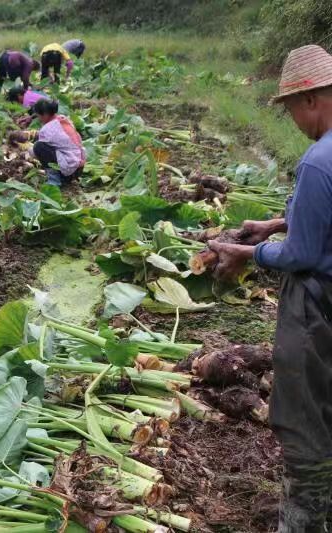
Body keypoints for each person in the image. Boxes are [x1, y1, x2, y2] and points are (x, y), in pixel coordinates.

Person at [208, 44, 332, 532]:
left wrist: (248, 252)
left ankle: (303, 519)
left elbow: (301, 255)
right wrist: (277, 222)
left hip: (317, 304)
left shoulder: (317, 162)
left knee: (304, 413)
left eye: (291, 111)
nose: (294, 122)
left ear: (311, 101)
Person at [29, 98, 85, 187]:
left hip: (68, 172)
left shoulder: (46, 129)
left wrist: (27, 149)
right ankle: (60, 177)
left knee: (38, 147)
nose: (38, 118)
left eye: (38, 115)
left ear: (45, 114)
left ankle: (54, 180)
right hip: (79, 168)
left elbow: (37, 152)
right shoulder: (63, 119)